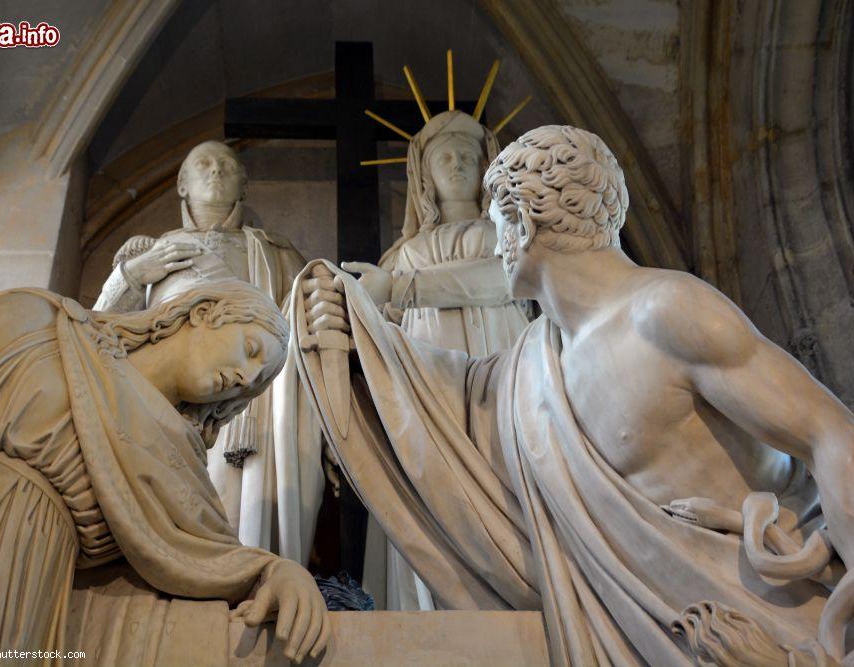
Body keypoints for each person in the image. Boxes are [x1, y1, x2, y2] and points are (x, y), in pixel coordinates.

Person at [297, 125, 854, 664]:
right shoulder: (536, 361)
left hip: (774, 626)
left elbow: (831, 433)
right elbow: (461, 404)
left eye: (497, 224)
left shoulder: (666, 311)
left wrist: (837, 636)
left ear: (521, 222)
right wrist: (358, 338)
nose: (498, 245)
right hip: (655, 636)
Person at [0, 280, 327, 665]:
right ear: (203, 313)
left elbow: (203, 557)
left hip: (23, 586)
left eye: (259, 380)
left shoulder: (178, 460)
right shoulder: (38, 323)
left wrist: (278, 572)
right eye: (250, 350)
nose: (247, 378)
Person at [94, 140, 323, 567]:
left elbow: (305, 322)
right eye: (202, 164)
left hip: (263, 399)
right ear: (181, 184)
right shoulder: (148, 250)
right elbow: (97, 333)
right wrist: (130, 275)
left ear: (245, 184)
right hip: (170, 406)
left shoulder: (277, 252)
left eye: (226, 165)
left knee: (254, 516)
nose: (215, 171)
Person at [341, 110, 529, 610]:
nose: (458, 164)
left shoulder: (508, 233)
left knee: (509, 482)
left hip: (502, 372)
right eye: (445, 155)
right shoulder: (404, 254)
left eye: (469, 154)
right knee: (434, 497)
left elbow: (503, 280)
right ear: (423, 175)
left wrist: (405, 288)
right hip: (430, 388)